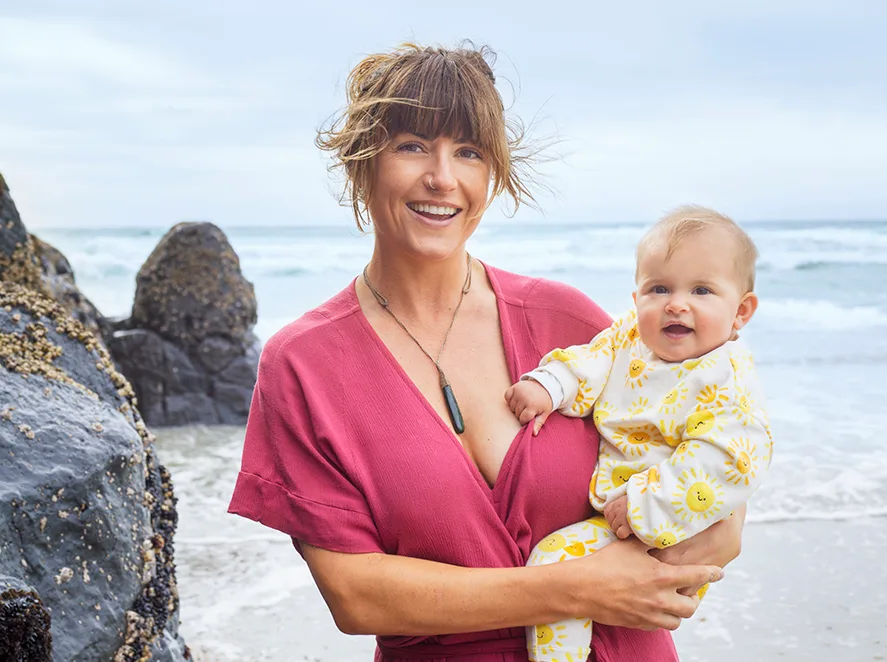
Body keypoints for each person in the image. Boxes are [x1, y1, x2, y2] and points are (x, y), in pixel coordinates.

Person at [228, 43, 746, 662]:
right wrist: (575, 588)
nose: (442, 177)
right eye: (412, 145)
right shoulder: (305, 364)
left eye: (469, 152)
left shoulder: (571, 323)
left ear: (492, 173)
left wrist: (688, 550)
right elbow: (355, 596)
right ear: (362, 162)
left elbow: (720, 494)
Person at [505, 206, 773, 661]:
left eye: (702, 290)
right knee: (569, 588)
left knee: (555, 563)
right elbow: (588, 360)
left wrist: (644, 504)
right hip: (619, 516)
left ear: (741, 311)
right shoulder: (629, 338)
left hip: (670, 525)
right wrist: (549, 386)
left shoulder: (727, 377)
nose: (676, 304)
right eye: (659, 288)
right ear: (636, 299)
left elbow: (731, 458)